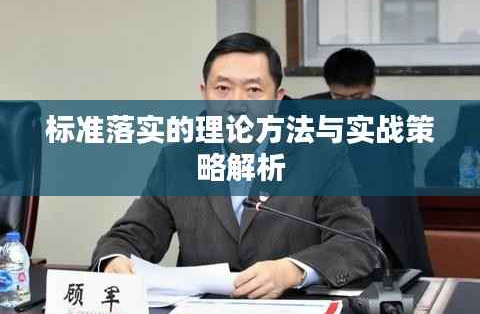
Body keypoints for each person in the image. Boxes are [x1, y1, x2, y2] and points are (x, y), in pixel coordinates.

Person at [91, 34, 377, 299]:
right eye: (223, 89)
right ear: (204, 93)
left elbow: (358, 243)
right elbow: (132, 234)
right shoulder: (179, 159)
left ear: (277, 99)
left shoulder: (321, 155)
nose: (237, 105)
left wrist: (292, 271)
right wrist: (115, 260)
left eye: (253, 90)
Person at [304, 47, 433, 275]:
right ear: (329, 87)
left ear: (372, 85)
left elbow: (400, 179)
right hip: (318, 215)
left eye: (357, 97)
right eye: (339, 98)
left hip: (376, 217)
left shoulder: (393, 117)